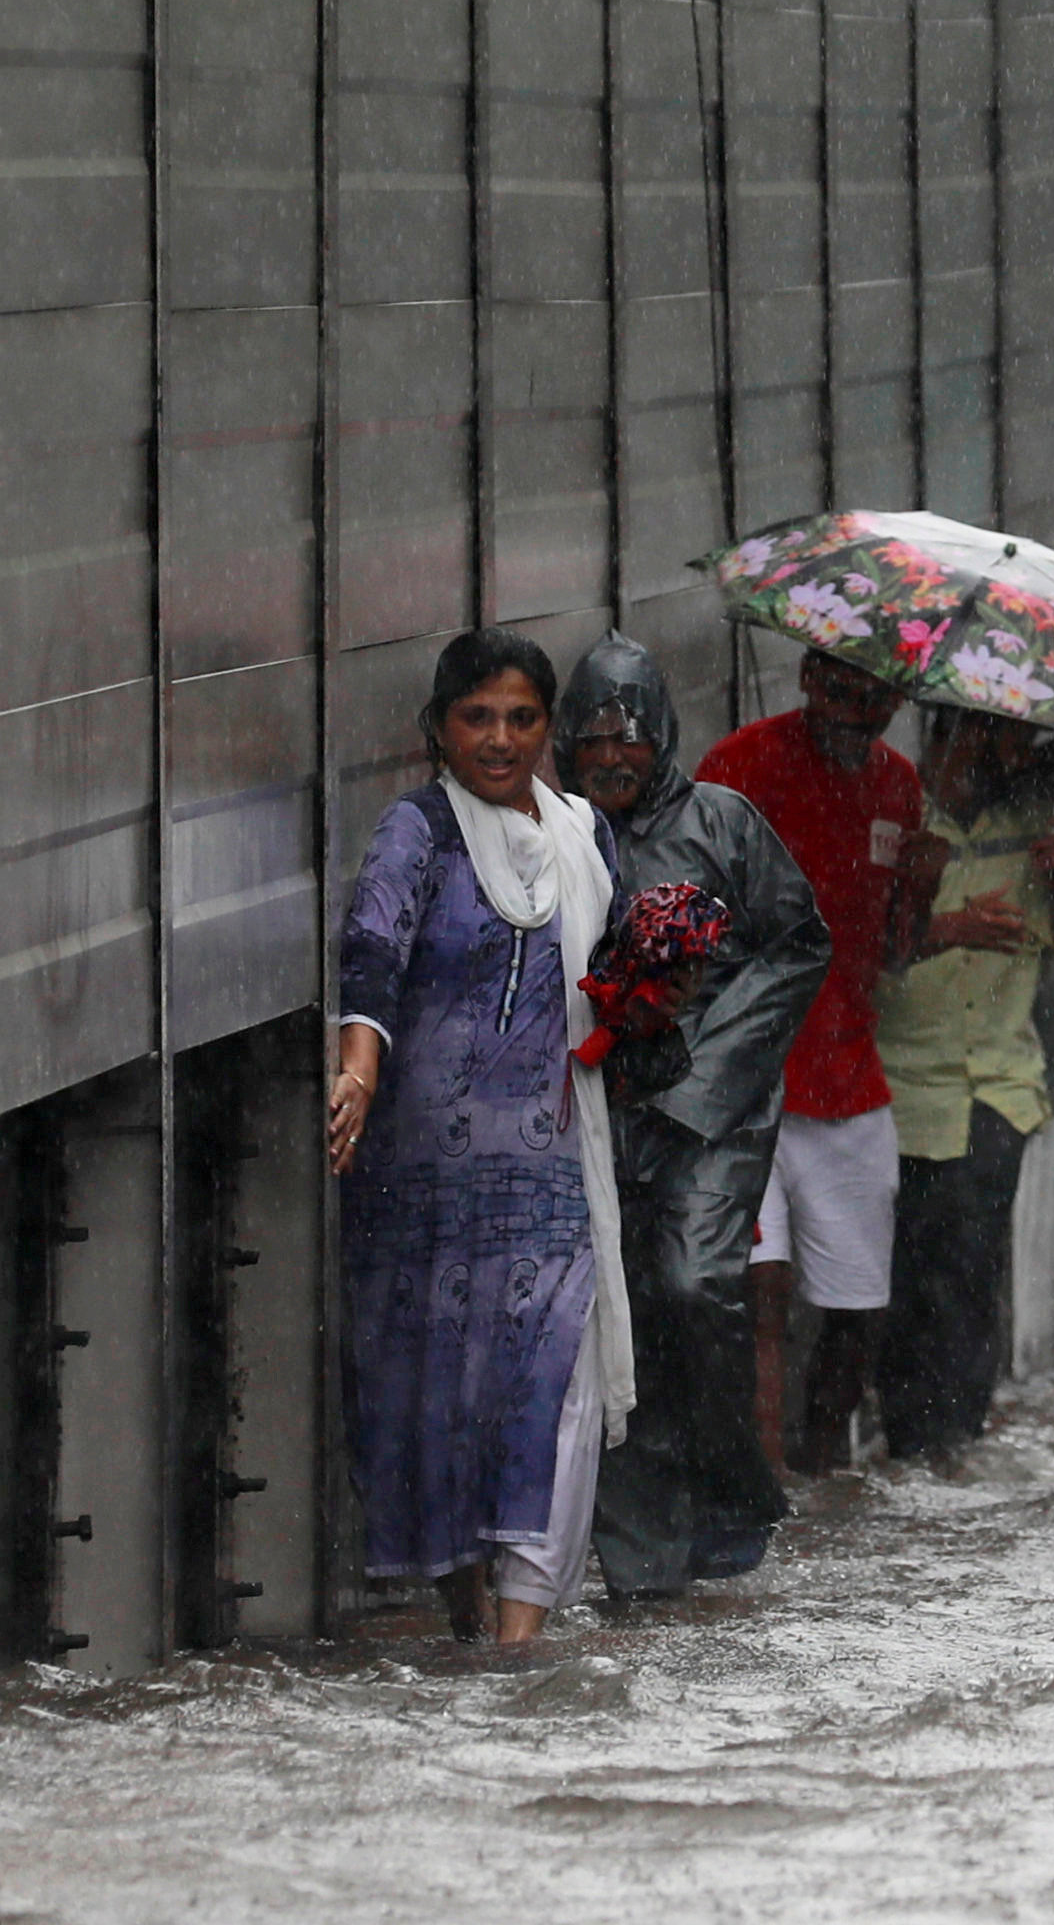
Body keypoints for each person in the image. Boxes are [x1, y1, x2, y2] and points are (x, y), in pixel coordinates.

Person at [330, 628, 632, 1642]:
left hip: (552, 1182)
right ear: (438, 728)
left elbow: (618, 988)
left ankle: (517, 1654)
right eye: (477, 718)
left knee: (553, 1390)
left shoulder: (585, 835)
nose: (500, 740)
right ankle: (473, 1636)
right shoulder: (416, 833)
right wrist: (360, 1067)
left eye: (522, 718)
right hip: (424, 1191)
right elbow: (373, 944)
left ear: (551, 728)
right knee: (440, 1407)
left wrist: (662, 987)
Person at [558, 635, 832, 1595]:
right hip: (604, 1106)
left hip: (717, 1109)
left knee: (690, 1284)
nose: (613, 756)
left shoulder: (724, 824)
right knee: (618, 1317)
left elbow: (800, 945)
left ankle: (729, 1492)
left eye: (631, 736)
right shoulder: (556, 834)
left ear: (664, 734)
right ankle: (641, 1553)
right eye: (592, 737)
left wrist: (705, 1070)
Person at [700, 649, 927, 1474]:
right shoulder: (737, 767)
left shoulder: (900, 786)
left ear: (899, 699)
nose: (853, 714)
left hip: (849, 1082)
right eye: (839, 691)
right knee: (758, 1293)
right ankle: (765, 1488)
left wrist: (924, 892)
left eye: (874, 699)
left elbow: (895, 953)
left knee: (855, 1308)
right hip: (748, 1078)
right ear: (803, 676)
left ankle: (824, 1473)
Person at [873, 710, 1054, 1460]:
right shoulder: (899, 822)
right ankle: (910, 1439)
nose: (1011, 753)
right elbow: (865, 951)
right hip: (905, 1084)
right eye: (992, 737)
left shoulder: (1035, 833)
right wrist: (925, 899)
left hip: (998, 1084)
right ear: (948, 736)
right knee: (906, 1273)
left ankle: (956, 1437)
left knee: (970, 1264)